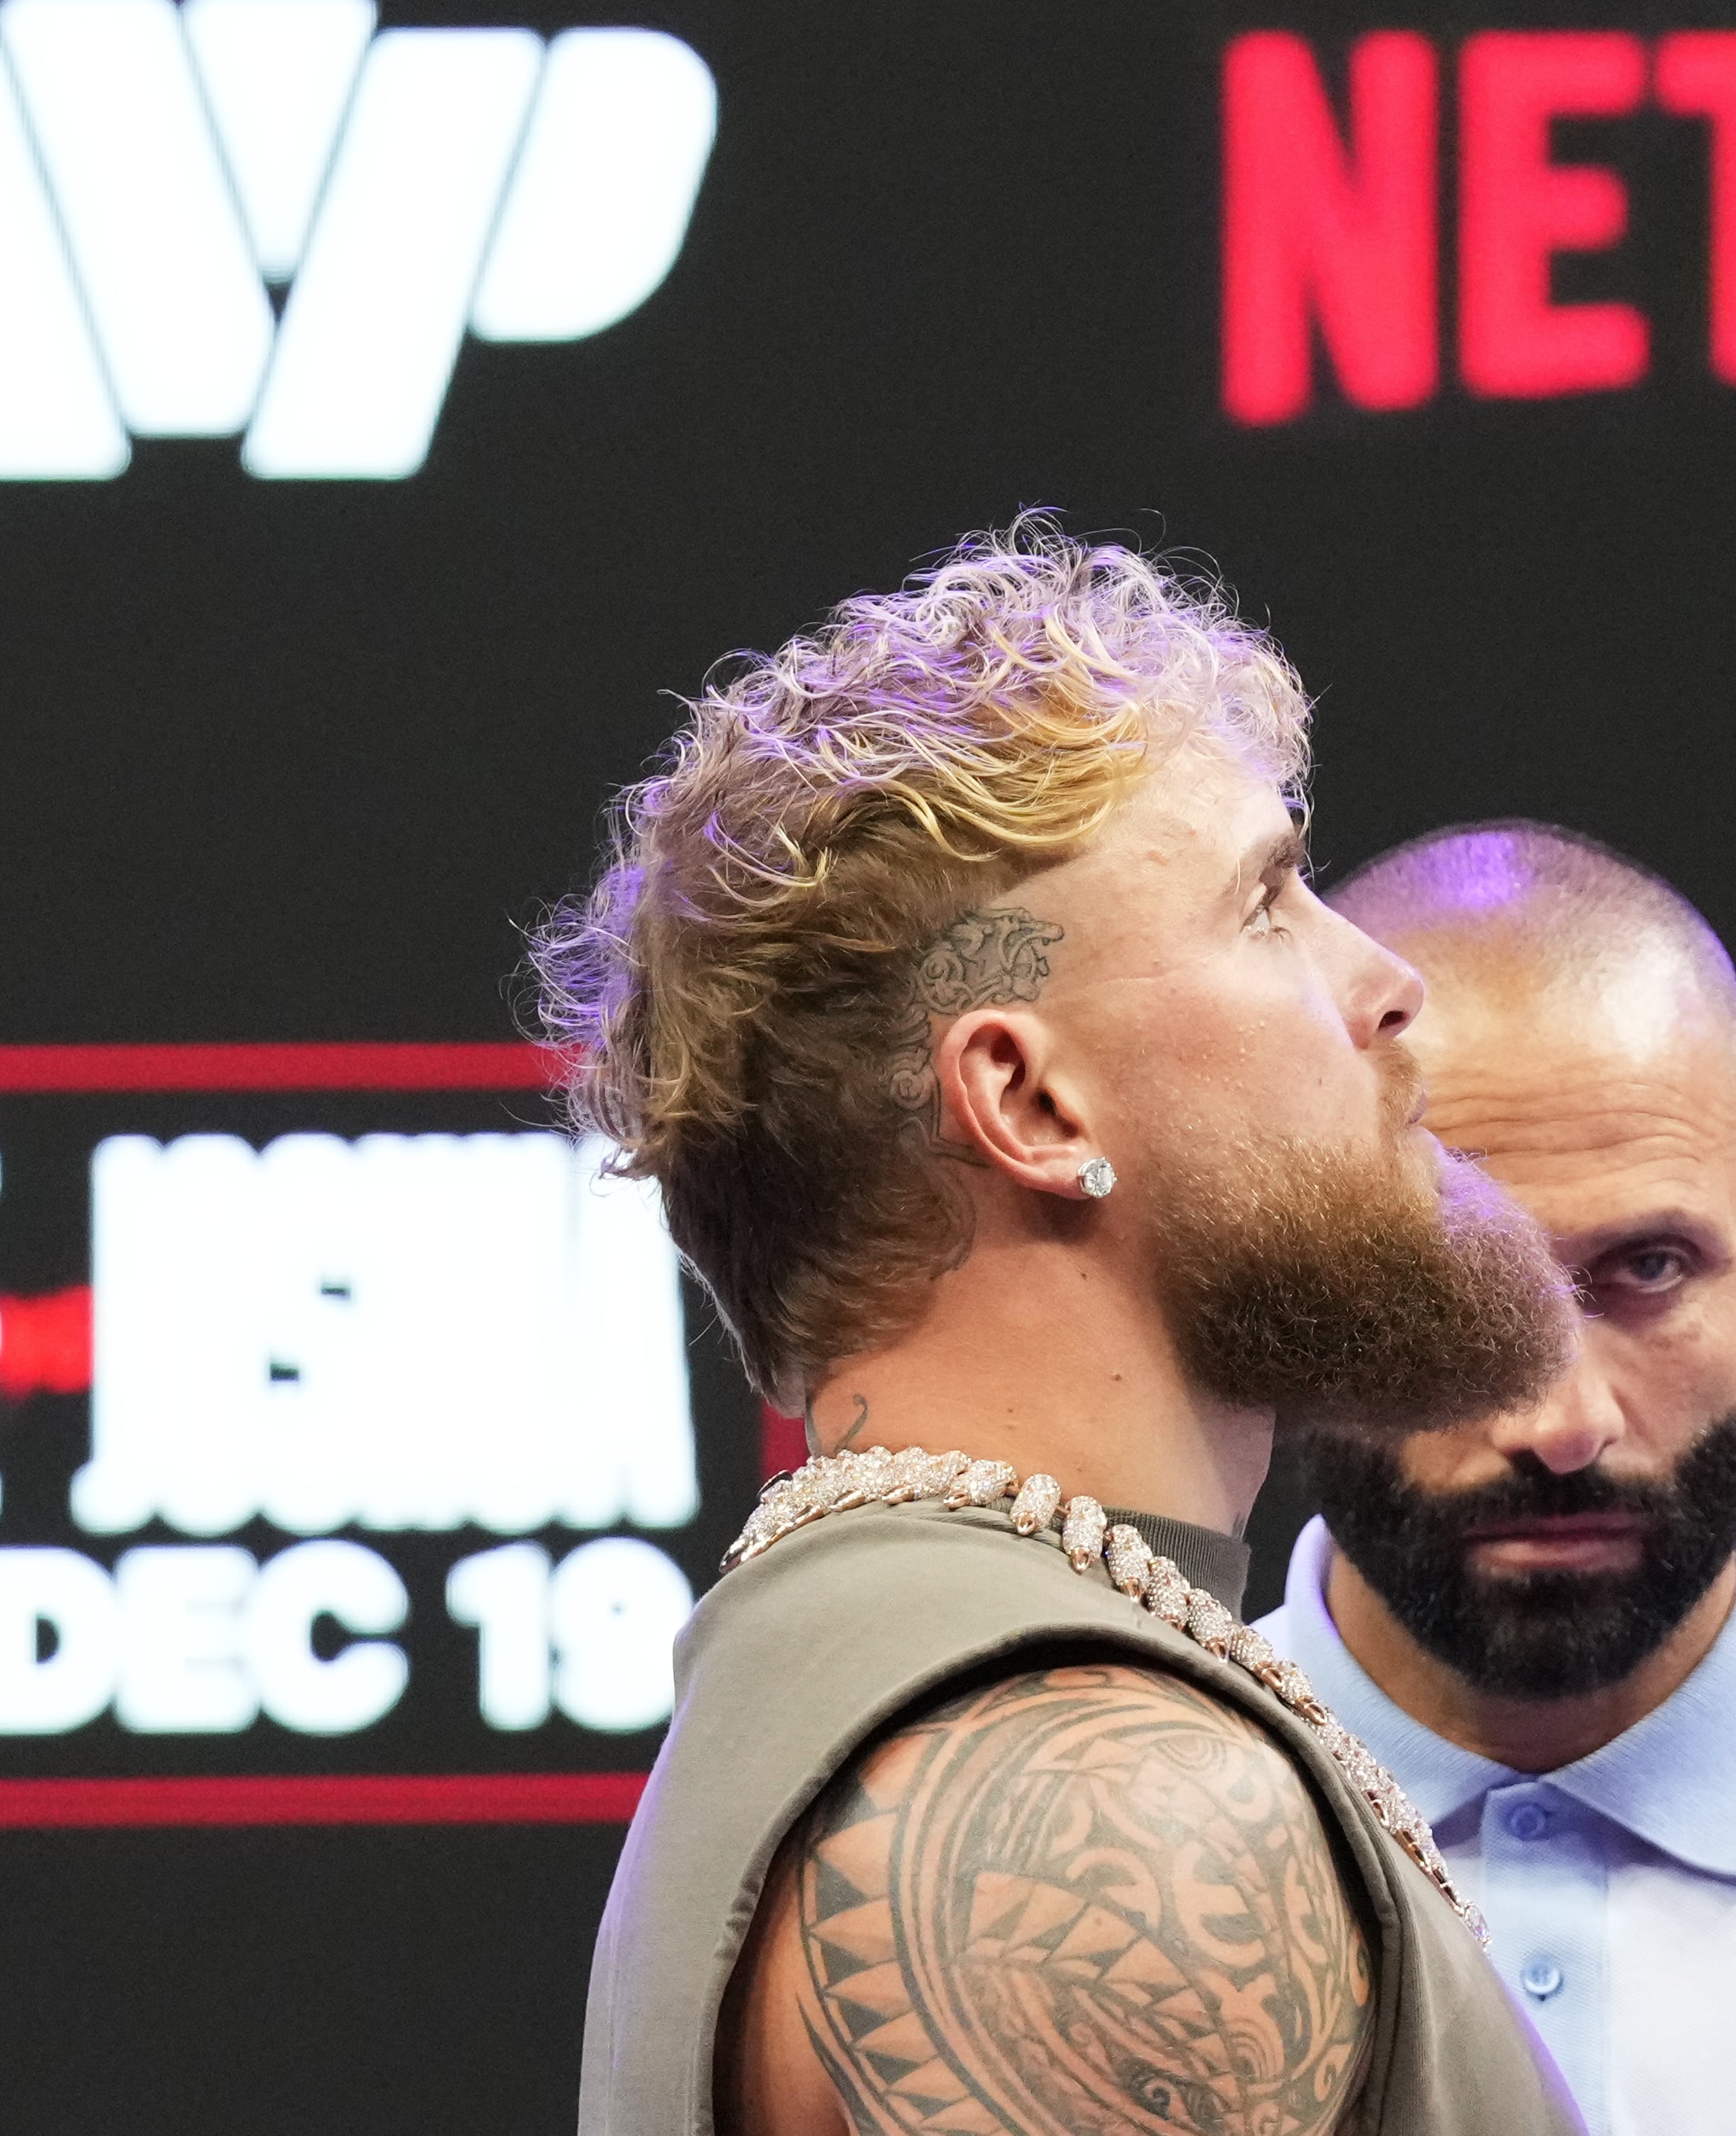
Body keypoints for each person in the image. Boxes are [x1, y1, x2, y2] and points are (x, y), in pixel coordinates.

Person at [550, 523, 1588, 2136]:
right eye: (1267, 904)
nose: (1389, 984)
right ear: (1027, 1101)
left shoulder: (906, 1664)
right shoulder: (1102, 1809)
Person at [1252, 820, 1736, 2136]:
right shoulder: (1090, 1856)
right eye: (1445, 1290)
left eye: (1649, 1269)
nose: (1560, 1421)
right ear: (1291, 1285)